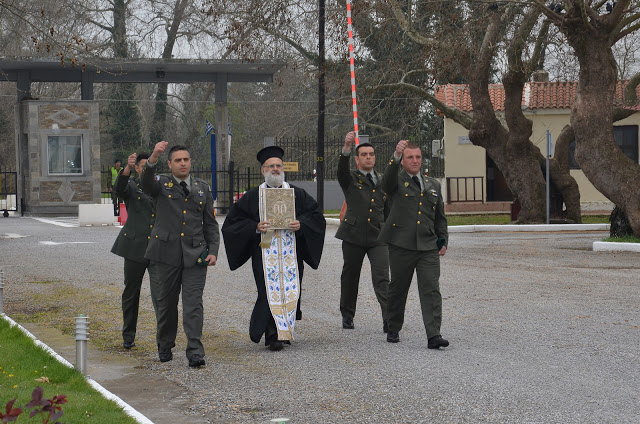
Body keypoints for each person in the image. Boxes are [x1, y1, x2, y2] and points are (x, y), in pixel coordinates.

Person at [221, 146, 326, 351]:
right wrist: (255, 226)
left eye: (278, 166)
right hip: (264, 252)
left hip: (291, 253)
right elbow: (232, 224)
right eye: (271, 166)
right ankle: (271, 333)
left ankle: (284, 330)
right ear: (263, 170)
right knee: (268, 291)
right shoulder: (252, 197)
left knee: (290, 290)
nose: (275, 169)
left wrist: (301, 224)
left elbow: (316, 218)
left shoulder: (297, 194)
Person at [142, 141, 220, 367]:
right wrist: (152, 158)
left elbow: (211, 224)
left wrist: (212, 251)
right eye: (178, 160)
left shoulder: (202, 188)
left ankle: (195, 350)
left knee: (193, 304)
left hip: (195, 256)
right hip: (165, 254)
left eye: (186, 159)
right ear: (170, 164)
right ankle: (165, 344)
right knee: (166, 303)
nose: (183, 163)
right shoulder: (161, 184)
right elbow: (146, 183)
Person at [378, 140, 449, 349]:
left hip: (427, 246)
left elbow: (439, 216)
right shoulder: (396, 181)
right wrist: (396, 156)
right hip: (401, 245)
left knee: (431, 289)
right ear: (403, 161)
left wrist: (442, 239)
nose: (415, 161)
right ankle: (393, 327)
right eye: (410, 157)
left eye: (418, 157)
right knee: (398, 289)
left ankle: (434, 335)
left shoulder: (433, 184)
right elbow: (386, 183)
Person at [335, 131, 389, 331]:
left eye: (371, 154)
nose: (368, 157)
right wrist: (346, 149)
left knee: (383, 278)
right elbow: (340, 172)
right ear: (357, 159)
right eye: (364, 154)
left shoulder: (383, 180)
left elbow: (388, 209)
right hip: (353, 235)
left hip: (378, 236)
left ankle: (388, 318)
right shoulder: (351, 179)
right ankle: (347, 315)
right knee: (350, 277)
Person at [110, 152, 155, 350]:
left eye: (149, 166)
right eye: (142, 166)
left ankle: (164, 339)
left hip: (157, 248)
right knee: (131, 293)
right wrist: (126, 169)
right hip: (135, 247)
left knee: (161, 295)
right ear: (137, 168)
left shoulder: (159, 187)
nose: (146, 170)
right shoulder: (132, 186)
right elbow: (119, 188)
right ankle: (128, 335)